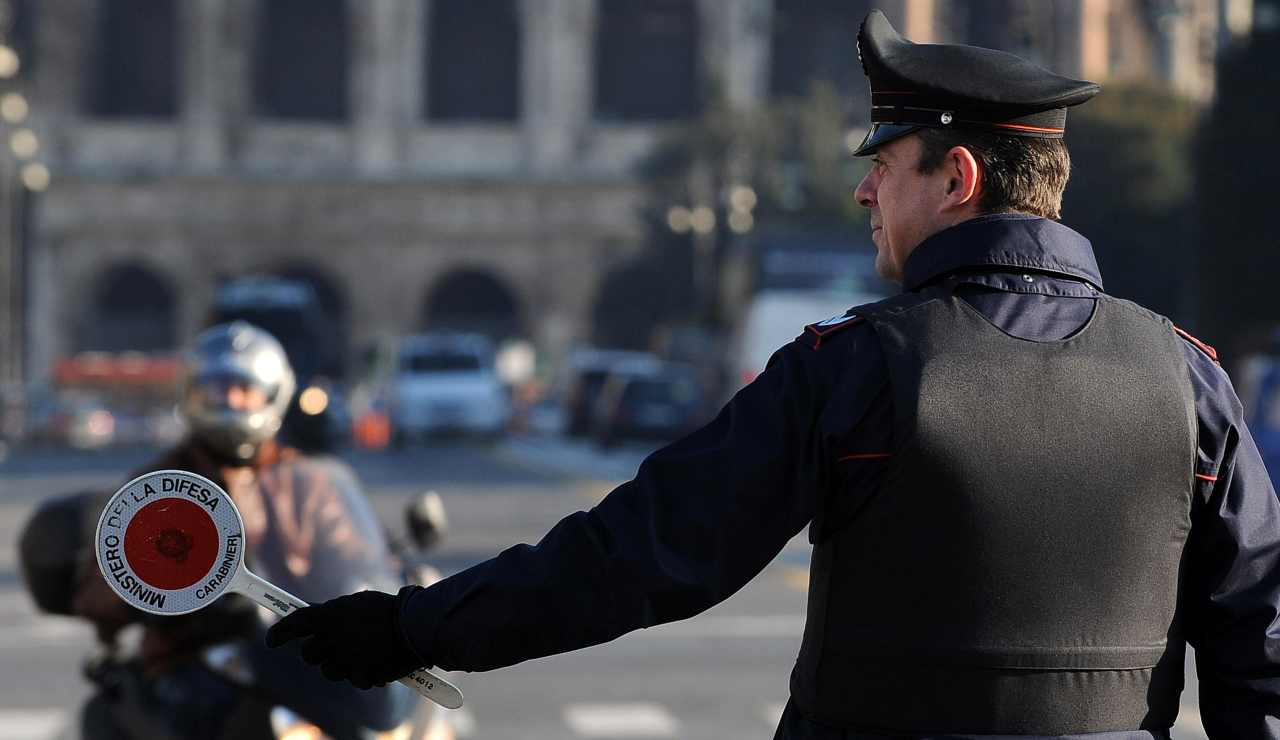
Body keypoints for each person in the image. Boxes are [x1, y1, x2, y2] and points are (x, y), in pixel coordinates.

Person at [266, 11, 1280, 738]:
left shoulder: (855, 372)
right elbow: (1257, 655)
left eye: (884, 160)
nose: (861, 188)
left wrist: (408, 624)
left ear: (956, 178)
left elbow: (634, 555)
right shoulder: (1187, 380)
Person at [68, 321, 414, 739]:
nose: (232, 399)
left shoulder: (309, 480)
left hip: (301, 650)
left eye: (244, 387)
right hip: (201, 656)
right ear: (193, 393)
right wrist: (168, 595)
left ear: (273, 393)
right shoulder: (160, 483)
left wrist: (395, 572)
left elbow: (353, 550)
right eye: (219, 387)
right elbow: (103, 585)